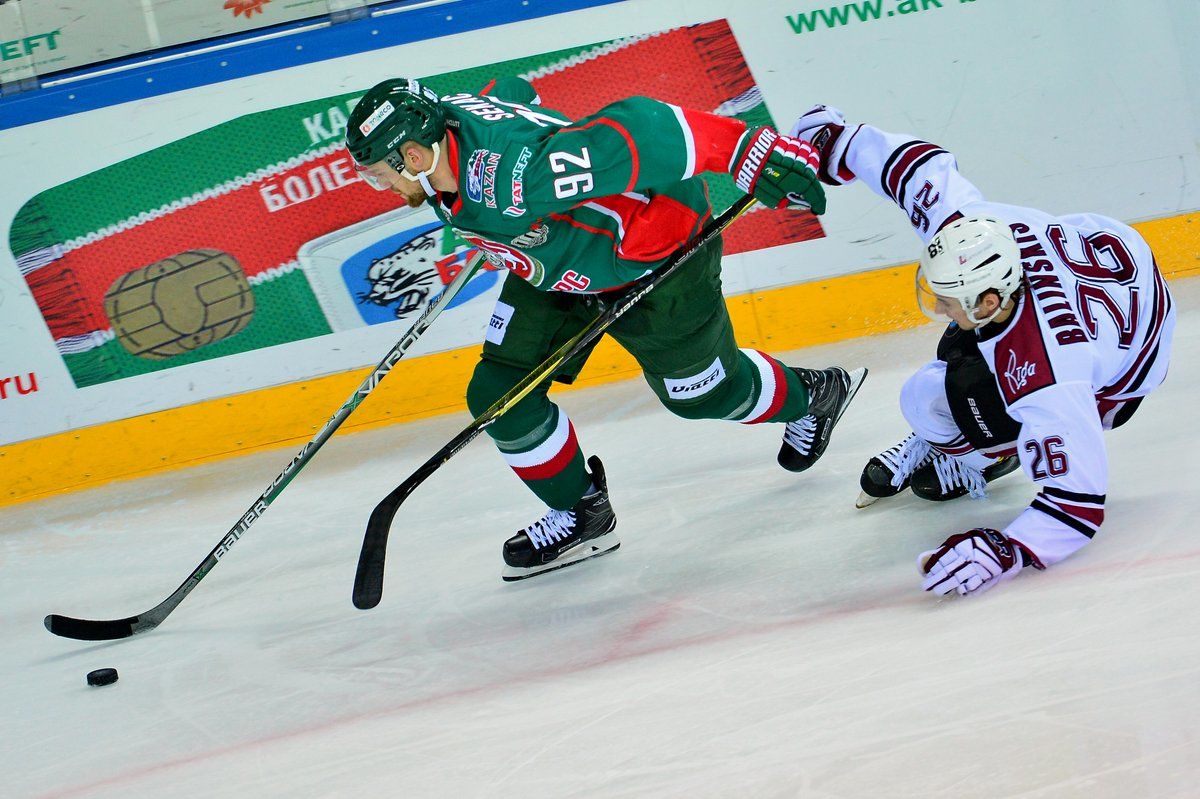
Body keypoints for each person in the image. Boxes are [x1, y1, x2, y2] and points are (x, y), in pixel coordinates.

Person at [343, 78, 868, 580]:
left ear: (413, 156)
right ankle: (582, 512)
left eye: (379, 172)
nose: (380, 185)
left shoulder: (512, 181)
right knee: (499, 393)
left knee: (701, 395)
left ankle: (816, 395)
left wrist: (743, 149)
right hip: (560, 262)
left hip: (657, 256)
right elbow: (510, 91)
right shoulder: (447, 127)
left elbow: (642, 128)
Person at [788, 105, 1175, 597]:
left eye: (948, 299)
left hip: (1119, 375)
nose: (939, 306)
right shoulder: (966, 228)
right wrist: (837, 141)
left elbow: (1077, 505)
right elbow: (914, 170)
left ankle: (981, 458)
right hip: (1116, 282)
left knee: (929, 396)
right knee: (958, 350)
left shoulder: (1051, 375)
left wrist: (1007, 548)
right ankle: (963, 436)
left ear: (990, 300)